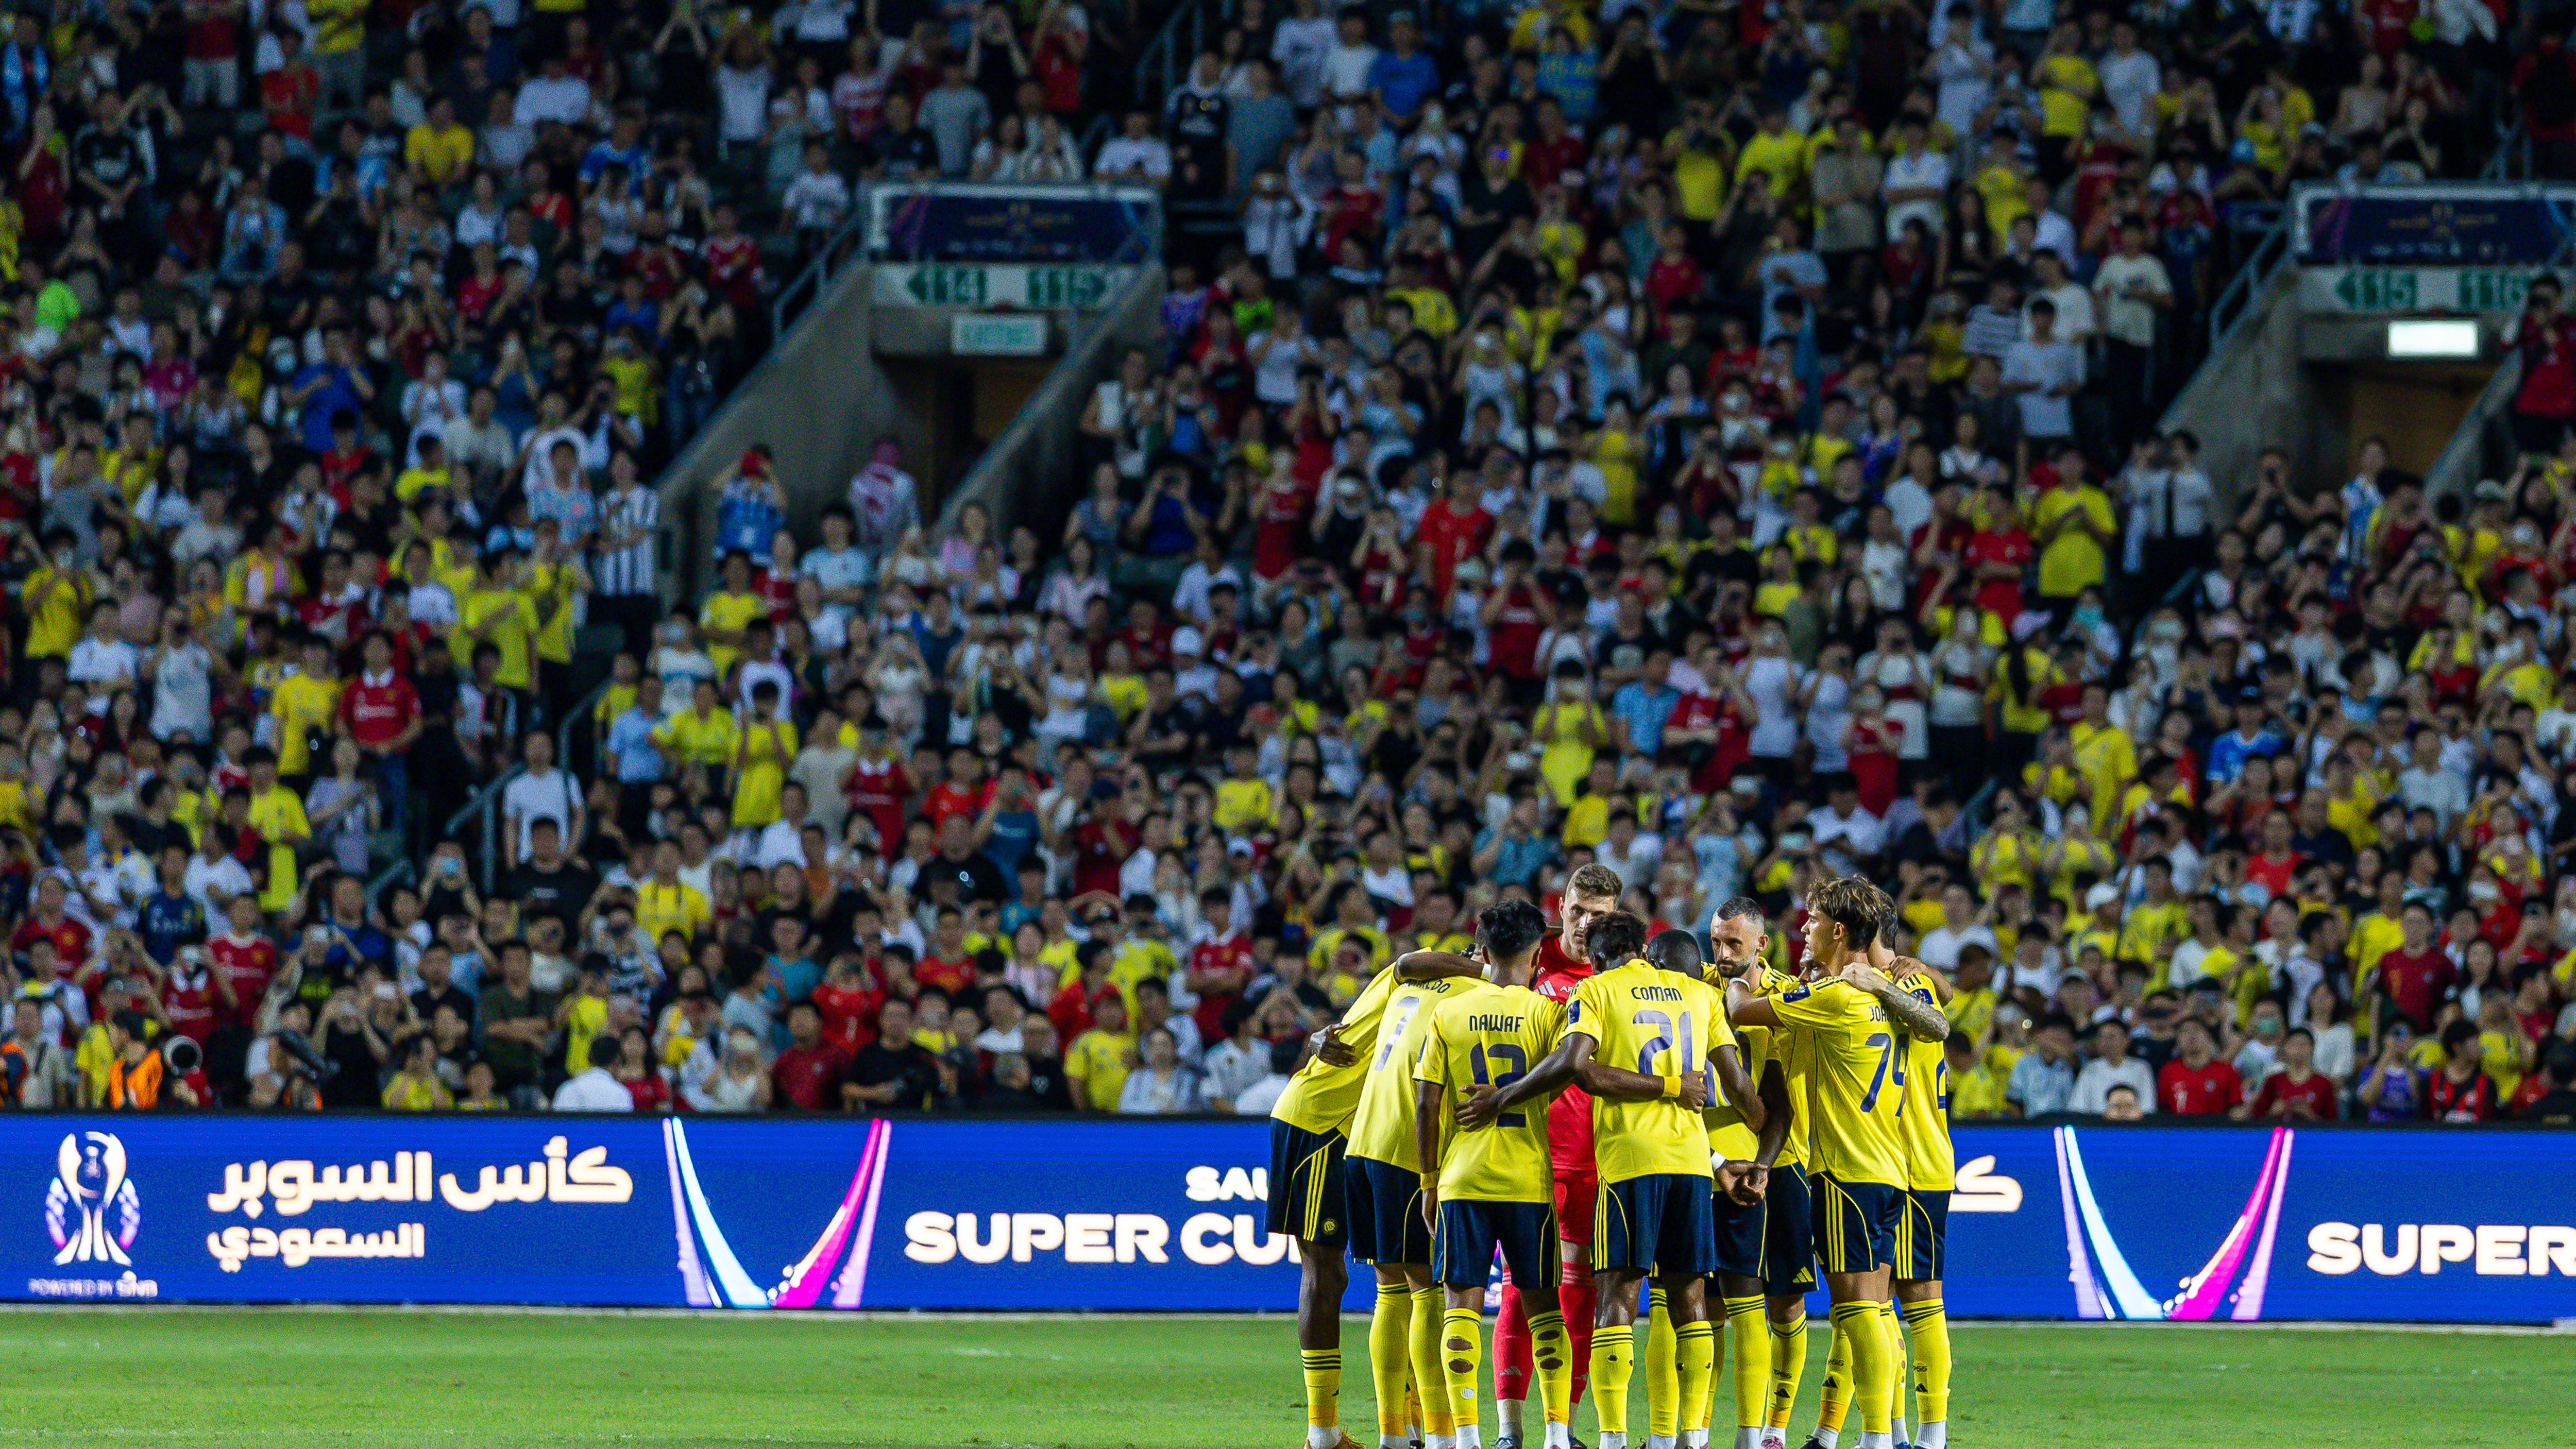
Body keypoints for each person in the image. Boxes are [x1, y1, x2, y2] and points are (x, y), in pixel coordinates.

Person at [1469, 910, 1758, 1449]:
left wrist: (1505, 1097)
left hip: (1628, 1160)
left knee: (1616, 1293)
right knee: (1689, 1296)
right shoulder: (1697, 994)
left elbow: (1577, 1065)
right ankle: (1692, 1437)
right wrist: (1767, 1151)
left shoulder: (1597, 991)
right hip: (1692, 1163)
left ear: (1597, 957)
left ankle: (1611, 1437)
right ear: (1643, 950)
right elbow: (1736, 1081)